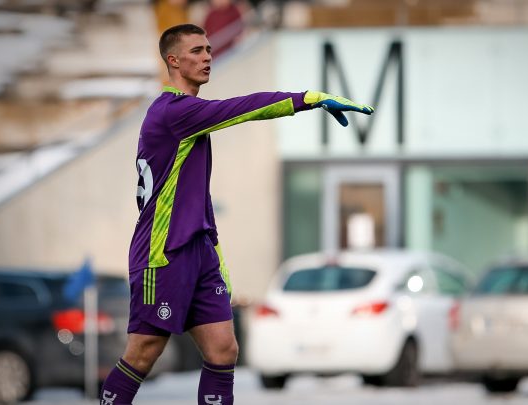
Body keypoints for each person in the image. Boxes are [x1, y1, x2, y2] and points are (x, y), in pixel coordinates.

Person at [99, 23, 373, 405]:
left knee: (223, 350)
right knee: (144, 351)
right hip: (162, 254)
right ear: (173, 60)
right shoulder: (173, 112)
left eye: (209, 49)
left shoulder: (186, 114)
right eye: (197, 51)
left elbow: (191, 195)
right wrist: (308, 98)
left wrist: (212, 249)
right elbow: (244, 109)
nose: (208, 56)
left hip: (197, 251)